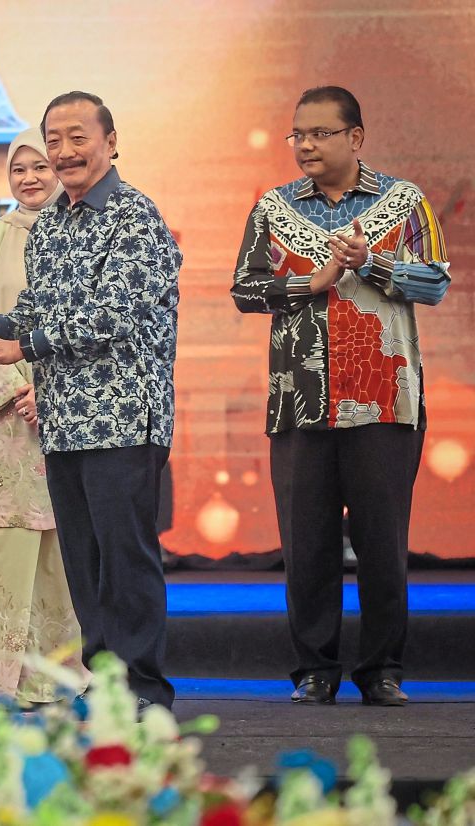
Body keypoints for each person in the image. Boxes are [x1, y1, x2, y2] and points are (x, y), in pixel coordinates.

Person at [0, 92, 181, 709]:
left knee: (125, 564)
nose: (62, 152)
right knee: (84, 567)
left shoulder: (136, 218)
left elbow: (112, 318)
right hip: (64, 422)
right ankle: (104, 689)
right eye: (54, 140)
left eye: (76, 137)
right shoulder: (52, 225)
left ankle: (144, 694)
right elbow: (38, 309)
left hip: (123, 420)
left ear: (110, 141)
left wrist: (20, 340)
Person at [231, 86, 451, 707]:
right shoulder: (273, 207)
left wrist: (373, 266)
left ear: (356, 137)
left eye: (320, 134)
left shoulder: (404, 202)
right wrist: (311, 279)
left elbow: (435, 282)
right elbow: (245, 289)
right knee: (307, 543)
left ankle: (382, 669)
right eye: (297, 134)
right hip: (299, 399)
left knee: (384, 540)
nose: (305, 145)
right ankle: (314, 669)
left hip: (385, 398)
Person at [0, 128, 81, 702]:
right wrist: (18, 393)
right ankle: (2, 683)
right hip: (10, 422)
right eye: (19, 169)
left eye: (41, 166)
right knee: (7, 551)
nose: (31, 178)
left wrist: (55, 395)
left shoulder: (83, 233)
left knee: (63, 552)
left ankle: (57, 678)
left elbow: (88, 329)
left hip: (73, 413)